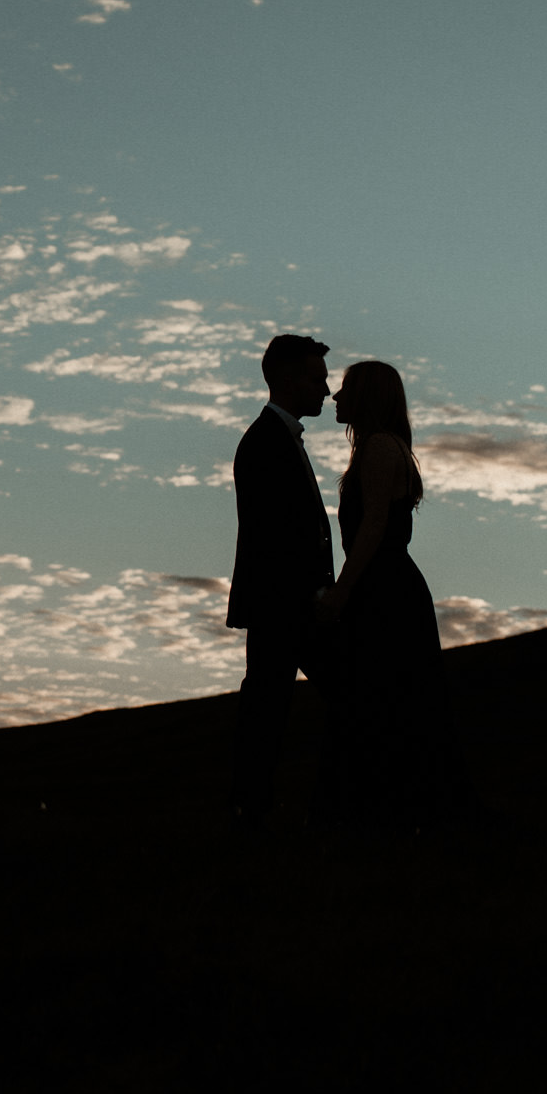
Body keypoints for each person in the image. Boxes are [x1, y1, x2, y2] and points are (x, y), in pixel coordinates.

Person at [314, 359, 471, 826]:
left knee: (384, 697)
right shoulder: (378, 449)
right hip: (385, 586)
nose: (335, 397)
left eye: (345, 390)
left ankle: (390, 810)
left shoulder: (381, 448)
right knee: (387, 698)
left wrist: (343, 591)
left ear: (367, 398)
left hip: (385, 590)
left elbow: (375, 526)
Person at [224, 334, 349, 830]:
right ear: (291, 379)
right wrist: (315, 591)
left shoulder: (273, 438)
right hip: (287, 605)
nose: (326, 388)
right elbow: (274, 533)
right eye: (318, 378)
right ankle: (258, 808)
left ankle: (256, 807)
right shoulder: (264, 443)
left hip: (288, 603)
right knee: (273, 705)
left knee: (269, 704)